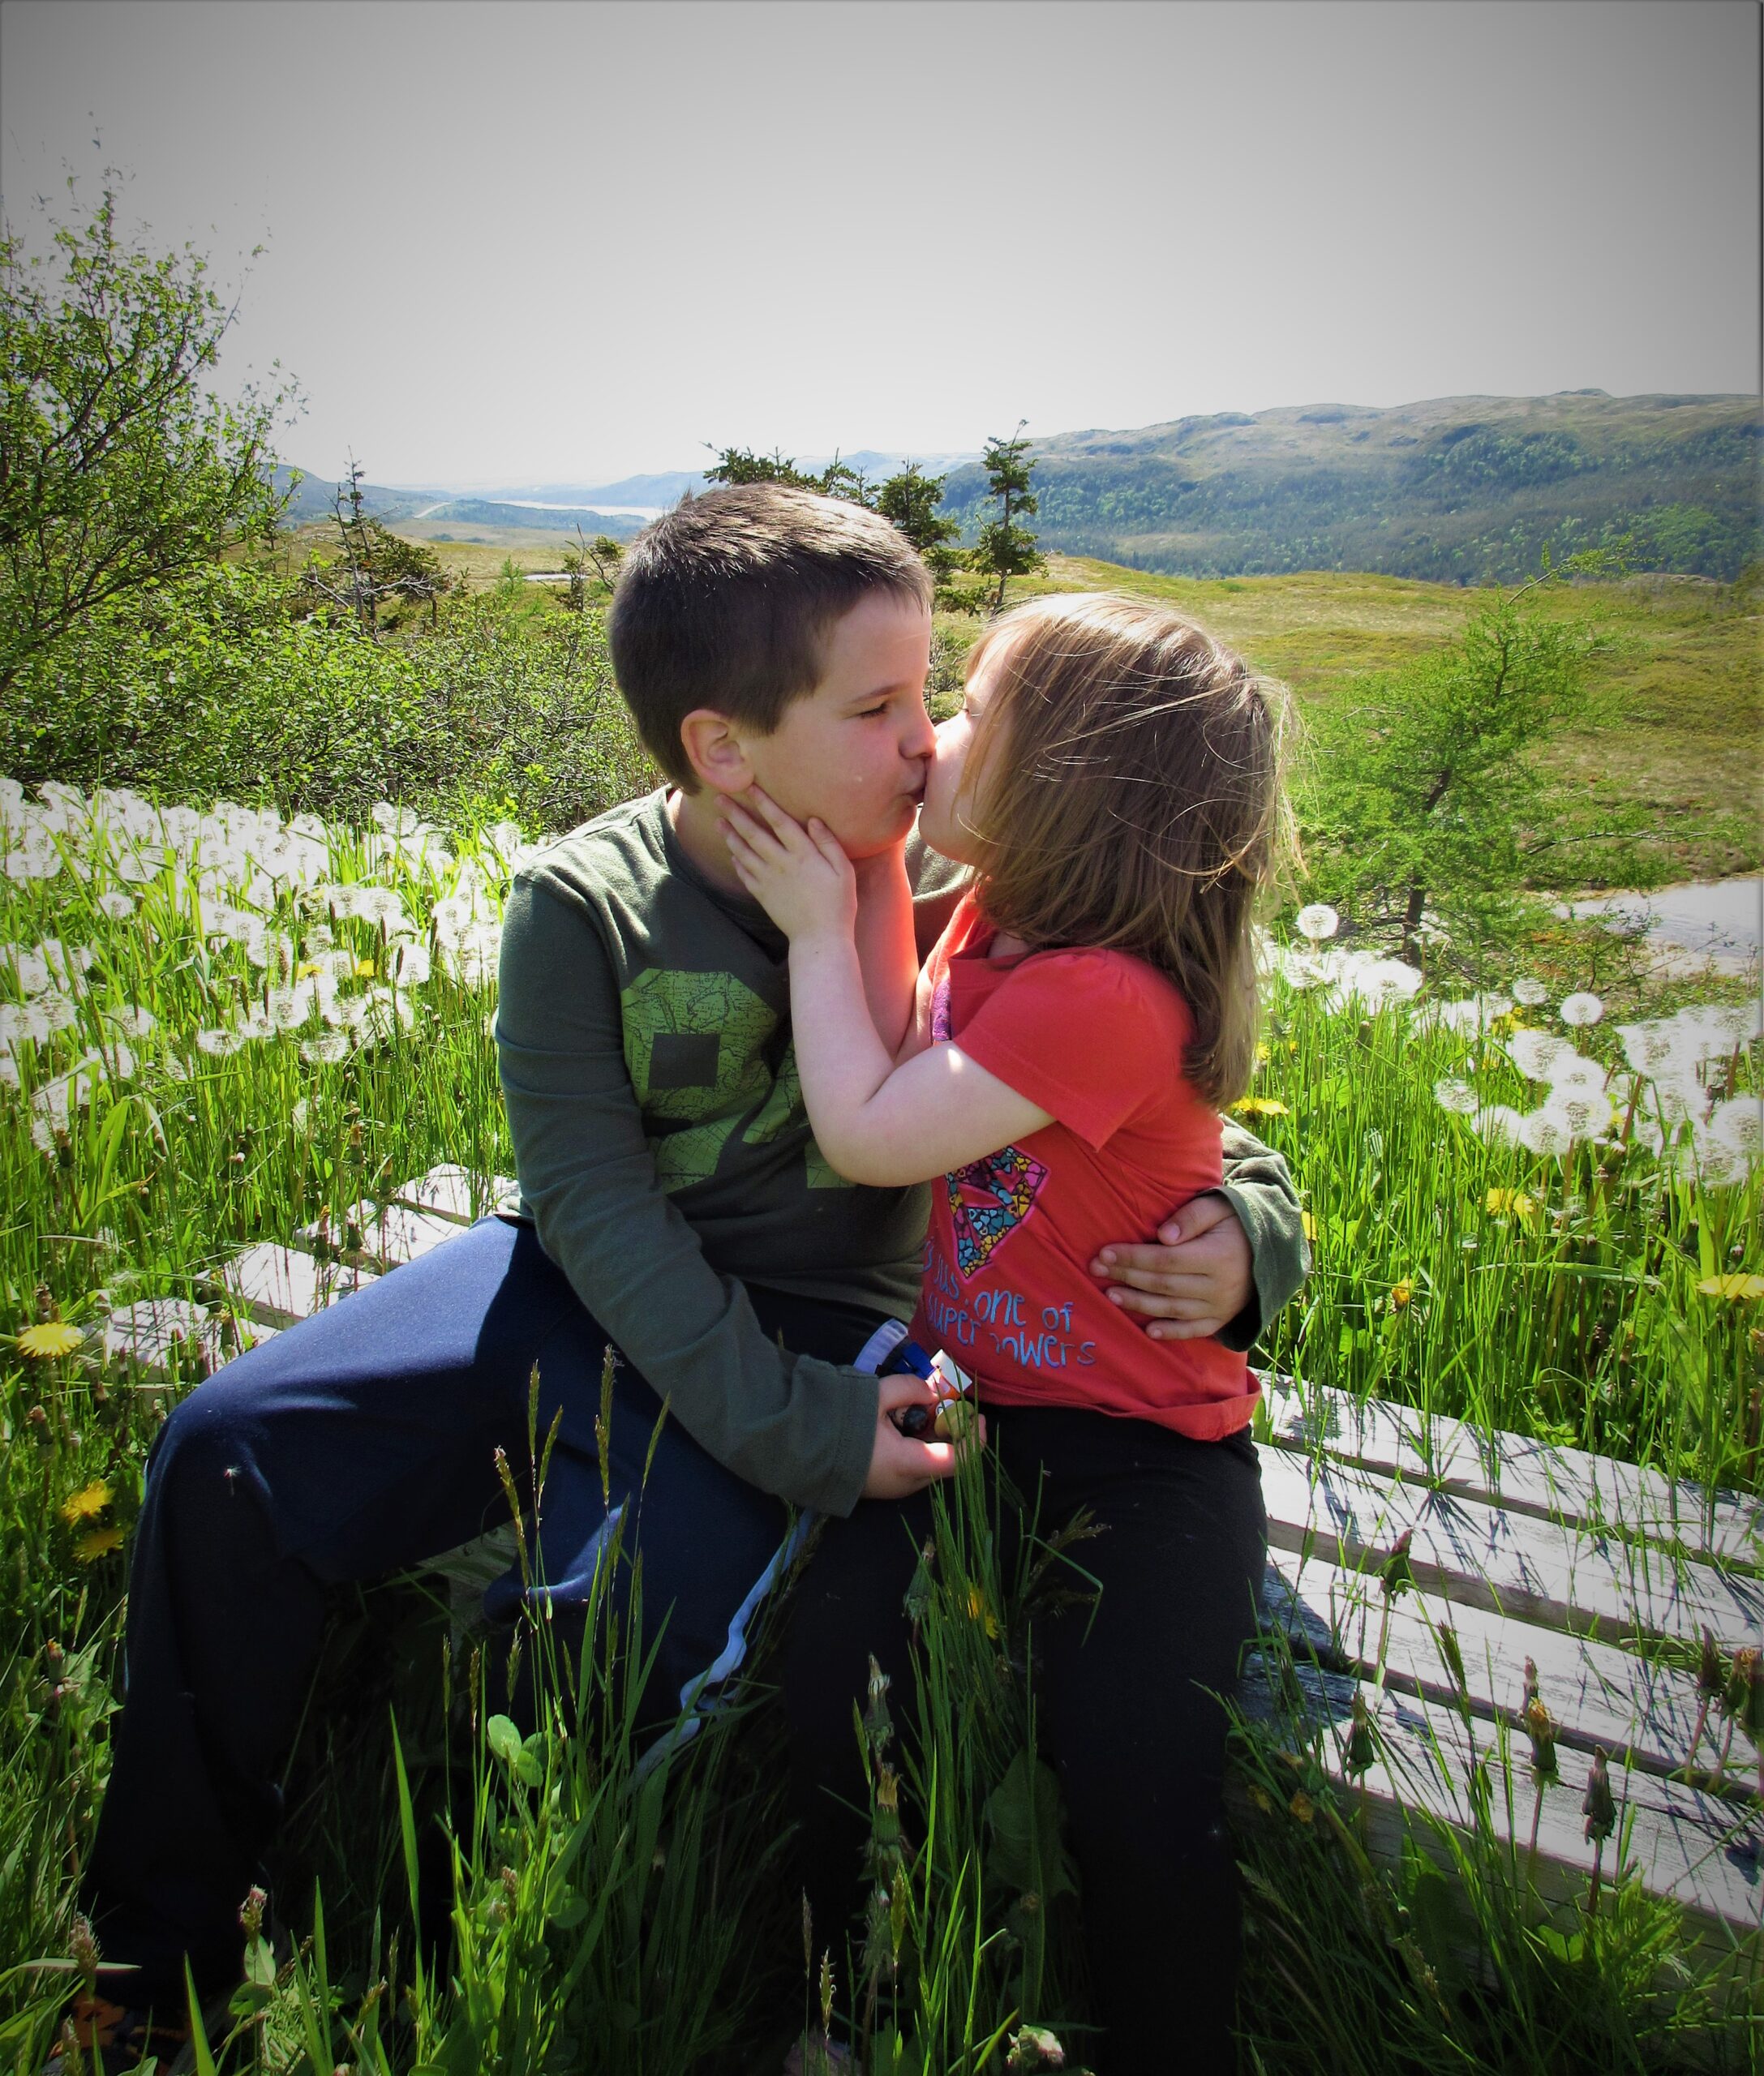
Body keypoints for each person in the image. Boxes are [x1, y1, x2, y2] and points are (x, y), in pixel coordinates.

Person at [58, 492, 1305, 2073]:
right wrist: (796, 1433)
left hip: (826, 1324)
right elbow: (593, 1213)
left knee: (610, 1618)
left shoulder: (961, 863)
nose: (924, 744)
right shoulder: (580, 907)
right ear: (724, 746)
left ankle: (431, 1946)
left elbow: (1148, 1083)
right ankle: (149, 1966)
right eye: (874, 707)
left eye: (933, 692)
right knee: (225, 1448)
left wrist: (1248, 1230)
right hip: (590, 1295)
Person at [720, 589, 1299, 2074]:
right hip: (968, 1414)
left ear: (1073, 786)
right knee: (836, 1685)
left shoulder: (1103, 992)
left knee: (1134, 1771)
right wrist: (861, 882)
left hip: (1144, 1454)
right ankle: (837, 2013)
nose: (937, 735)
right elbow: (907, 1047)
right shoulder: (1005, 919)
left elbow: (868, 1127)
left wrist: (811, 918)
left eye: (977, 710)